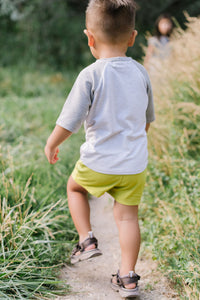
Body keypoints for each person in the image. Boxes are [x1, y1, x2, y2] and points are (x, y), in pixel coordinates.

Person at [44, 0, 155, 298]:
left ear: (89, 38)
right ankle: (128, 277)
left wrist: (52, 143)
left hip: (99, 162)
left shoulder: (90, 75)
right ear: (132, 38)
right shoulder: (141, 73)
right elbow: (147, 120)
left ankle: (87, 240)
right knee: (128, 218)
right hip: (134, 165)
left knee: (75, 189)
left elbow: (70, 120)